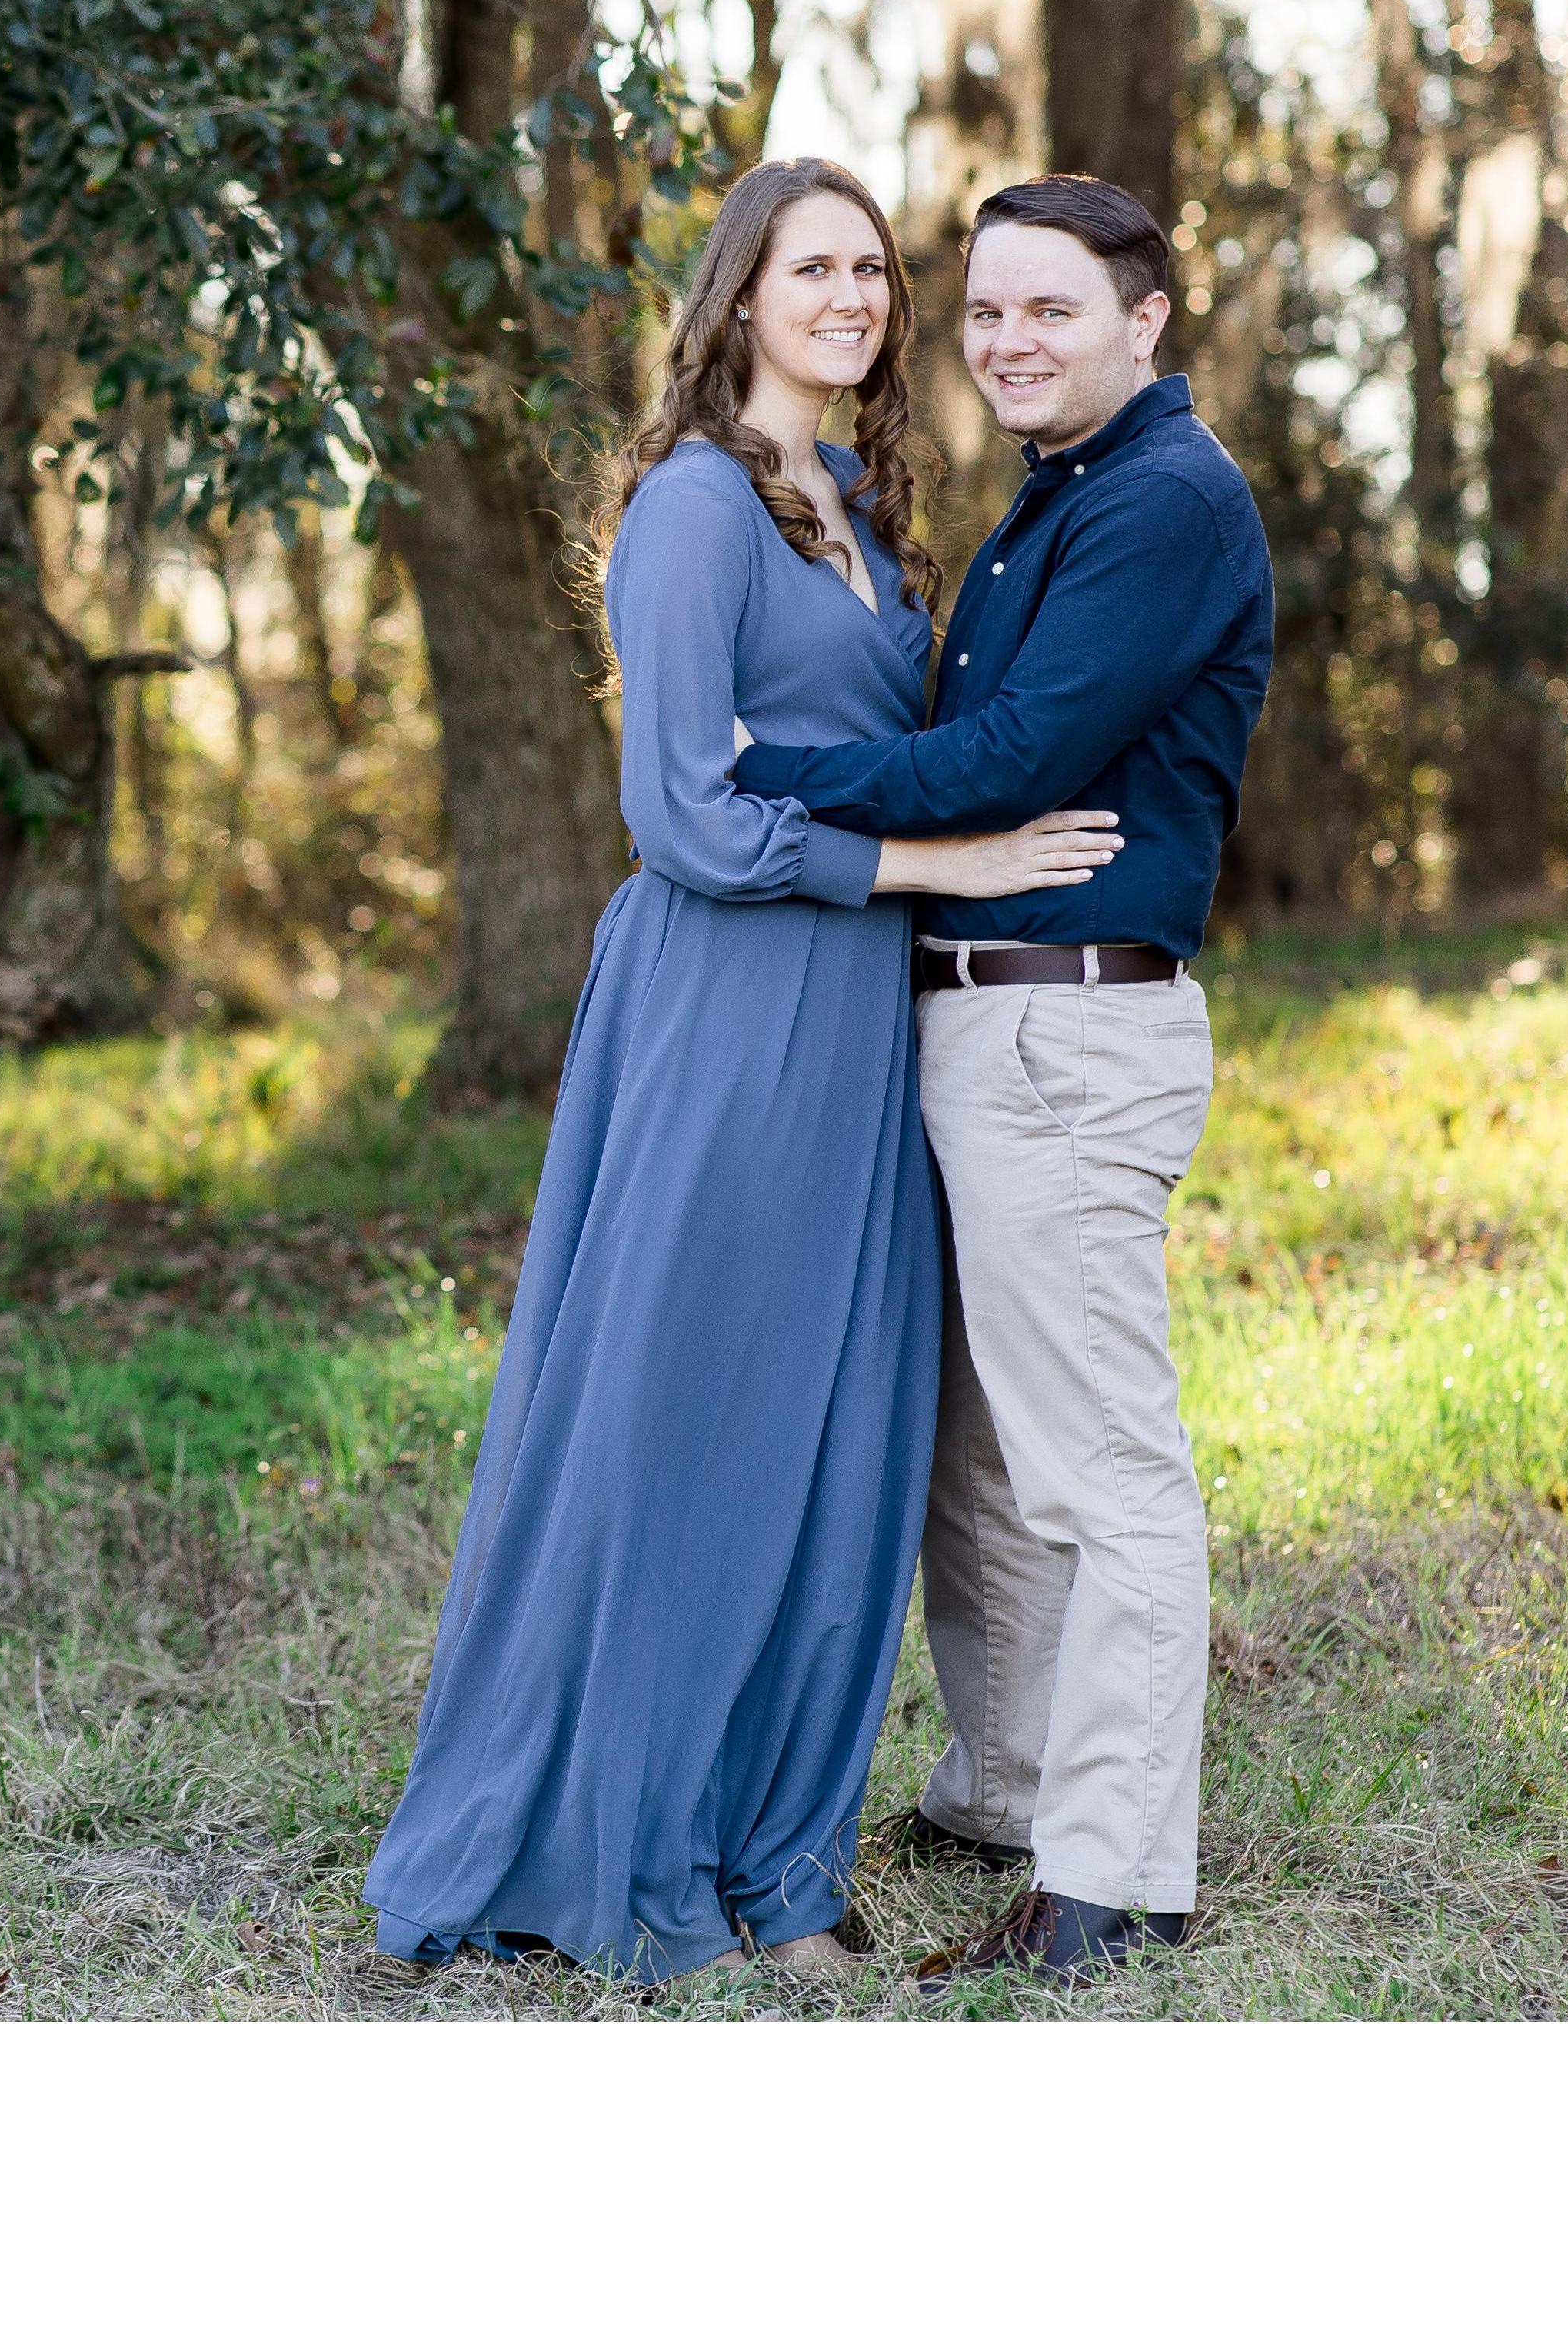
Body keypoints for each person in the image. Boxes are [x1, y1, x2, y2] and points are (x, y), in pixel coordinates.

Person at [361, 159, 1120, 1988]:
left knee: (835, 1432)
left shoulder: (851, 500)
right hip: (722, 1002)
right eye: (811, 267)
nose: (851, 296)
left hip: (859, 1015)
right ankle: (625, 1848)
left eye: (870, 270)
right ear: (737, 295)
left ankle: (776, 1858)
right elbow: (679, 814)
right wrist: (940, 867)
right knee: (686, 1413)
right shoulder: (694, 505)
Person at [730, 171, 1273, 1984]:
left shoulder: (1164, 501)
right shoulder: (1061, 493)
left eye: (1051, 307)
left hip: (1067, 1024)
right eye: (984, 309)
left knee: (1094, 1455)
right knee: (969, 1451)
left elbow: (1014, 756)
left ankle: (1110, 1869)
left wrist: (756, 774)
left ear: (1144, 317)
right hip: (976, 1020)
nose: (1008, 339)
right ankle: (1006, 1785)